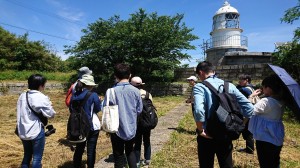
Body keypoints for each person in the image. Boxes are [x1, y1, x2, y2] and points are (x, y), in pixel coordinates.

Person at [193, 61, 254, 168]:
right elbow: (250, 108)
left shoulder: (200, 87)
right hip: (227, 131)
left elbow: (198, 110)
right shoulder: (230, 85)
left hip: (208, 134)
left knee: (206, 164)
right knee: (226, 164)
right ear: (213, 71)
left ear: (201, 72)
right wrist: (240, 125)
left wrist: (200, 130)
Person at [103, 63, 143, 168]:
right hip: (131, 128)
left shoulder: (110, 91)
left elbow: (105, 108)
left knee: (118, 155)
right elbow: (139, 110)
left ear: (115, 76)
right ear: (130, 75)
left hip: (116, 128)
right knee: (130, 152)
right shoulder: (136, 91)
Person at [16, 74, 56, 168]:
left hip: (22, 130)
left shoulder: (22, 95)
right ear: (40, 85)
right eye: (44, 84)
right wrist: (49, 104)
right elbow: (51, 114)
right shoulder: (40, 97)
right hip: (35, 130)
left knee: (27, 155)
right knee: (37, 158)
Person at [248, 74, 285, 168]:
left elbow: (249, 110)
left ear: (268, 88)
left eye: (263, 87)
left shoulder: (266, 101)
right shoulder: (281, 100)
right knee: (274, 161)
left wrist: (251, 96)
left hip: (265, 137)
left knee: (265, 163)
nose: (262, 89)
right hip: (276, 136)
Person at [70, 74, 102, 168]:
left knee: (79, 149)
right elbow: (97, 109)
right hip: (91, 125)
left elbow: (72, 110)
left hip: (78, 125)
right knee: (91, 150)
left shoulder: (74, 95)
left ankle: (76, 166)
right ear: (91, 85)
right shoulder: (93, 95)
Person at [131, 76, 153, 167]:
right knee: (147, 140)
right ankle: (147, 160)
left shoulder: (132, 93)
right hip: (147, 121)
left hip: (137, 121)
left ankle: (137, 161)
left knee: (137, 142)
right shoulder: (148, 94)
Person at [236, 74, 255, 154]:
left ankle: (249, 149)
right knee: (248, 130)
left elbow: (237, 90)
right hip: (251, 112)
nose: (239, 81)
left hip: (246, 113)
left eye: (241, 80)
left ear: (246, 80)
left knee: (247, 131)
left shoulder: (245, 90)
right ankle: (249, 148)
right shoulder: (251, 87)